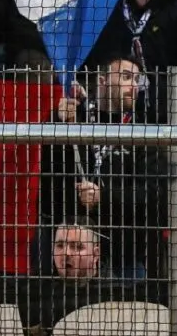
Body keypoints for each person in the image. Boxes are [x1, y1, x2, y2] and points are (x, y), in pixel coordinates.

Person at [47, 57, 166, 278]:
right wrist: (56, 122)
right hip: (72, 255)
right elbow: (49, 176)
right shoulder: (75, 118)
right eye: (126, 77)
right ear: (102, 80)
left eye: (137, 79)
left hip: (125, 254)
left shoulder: (144, 130)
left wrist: (104, 197)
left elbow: (152, 193)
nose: (134, 86)